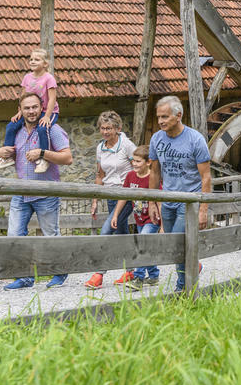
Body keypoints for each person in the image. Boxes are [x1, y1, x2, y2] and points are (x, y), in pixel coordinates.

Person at [0, 92, 73, 290]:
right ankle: (24, 277)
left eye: (35, 107)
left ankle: (59, 272)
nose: (31, 111)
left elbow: (67, 158)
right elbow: (6, 154)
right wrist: (0, 152)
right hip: (21, 192)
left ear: (42, 108)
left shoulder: (51, 130)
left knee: (50, 235)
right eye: (27, 108)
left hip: (46, 192)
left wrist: (43, 153)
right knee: (14, 235)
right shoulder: (16, 131)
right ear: (20, 110)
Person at [148, 95, 211, 292]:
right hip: (167, 201)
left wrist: (203, 210)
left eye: (165, 117)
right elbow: (155, 172)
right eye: (159, 117)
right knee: (174, 244)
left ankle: (182, 289)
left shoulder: (195, 140)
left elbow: (206, 177)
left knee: (176, 244)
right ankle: (194, 266)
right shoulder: (156, 139)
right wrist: (152, 202)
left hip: (189, 201)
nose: (160, 121)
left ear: (178, 116)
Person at [85, 111, 136, 290]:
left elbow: (140, 167)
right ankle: (131, 271)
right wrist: (95, 200)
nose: (105, 132)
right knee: (122, 234)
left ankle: (99, 274)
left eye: (109, 128)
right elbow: (100, 175)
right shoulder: (101, 147)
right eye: (102, 128)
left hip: (126, 195)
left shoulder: (127, 146)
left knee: (106, 230)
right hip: (109, 195)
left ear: (118, 128)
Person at [0, 49, 60, 173]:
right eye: (31, 59)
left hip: (48, 111)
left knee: (42, 128)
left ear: (45, 64)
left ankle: (44, 158)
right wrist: (19, 112)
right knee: (11, 126)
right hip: (30, 110)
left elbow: (52, 99)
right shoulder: (27, 78)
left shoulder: (48, 78)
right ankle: (7, 157)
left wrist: (47, 116)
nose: (33, 61)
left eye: (37, 59)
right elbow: (22, 97)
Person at [112, 145, 162, 290]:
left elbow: (160, 200)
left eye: (138, 161)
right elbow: (123, 197)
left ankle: (138, 278)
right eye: (133, 160)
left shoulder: (153, 177)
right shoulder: (130, 176)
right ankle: (153, 276)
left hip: (152, 220)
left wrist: (163, 225)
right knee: (145, 246)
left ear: (148, 162)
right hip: (139, 218)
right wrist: (116, 215)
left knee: (141, 242)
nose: (134, 164)